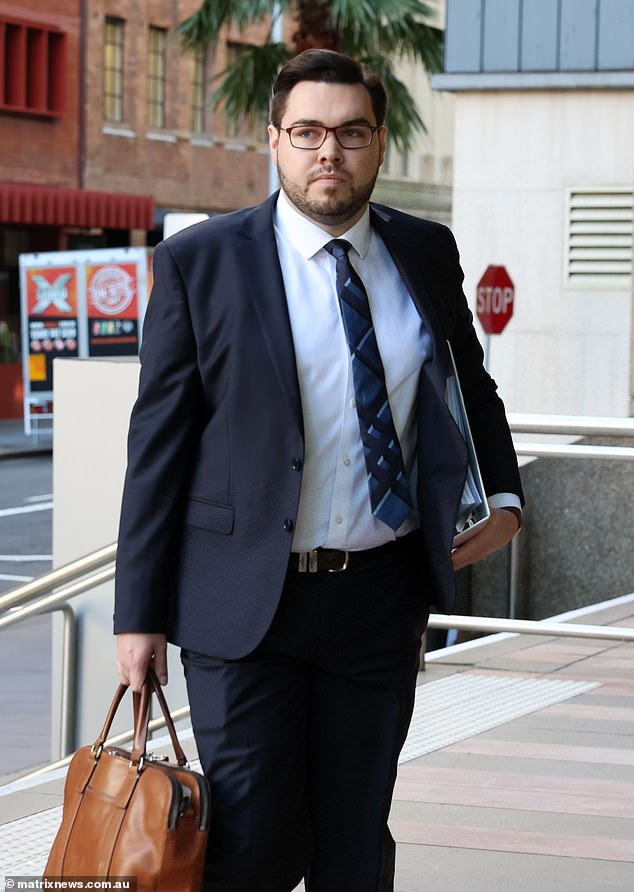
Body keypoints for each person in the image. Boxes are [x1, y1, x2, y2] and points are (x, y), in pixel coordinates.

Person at [114, 49, 523, 892]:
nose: (327, 151)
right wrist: (137, 616)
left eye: (350, 132)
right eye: (307, 132)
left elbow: (469, 384)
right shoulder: (204, 262)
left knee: (355, 837)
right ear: (274, 141)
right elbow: (158, 443)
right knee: (253, 843)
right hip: (244, 608)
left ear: (379, 145)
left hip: (379, 597)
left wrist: (505, 498)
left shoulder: (424, 251)